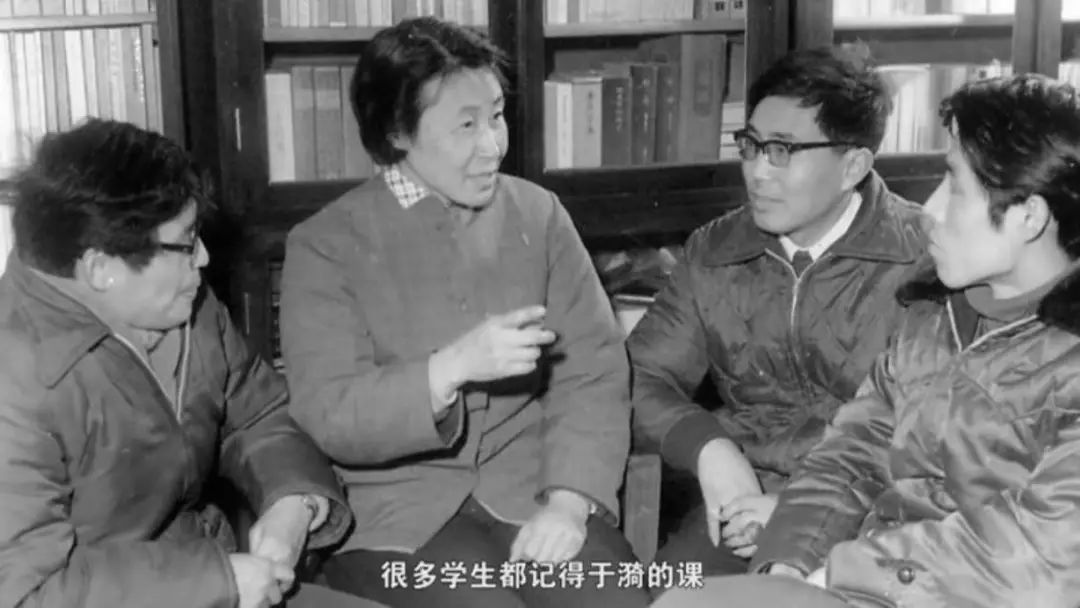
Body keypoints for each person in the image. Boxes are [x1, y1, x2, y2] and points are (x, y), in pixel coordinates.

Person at [657, 72, 1080, 608]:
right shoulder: (932, 316)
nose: (930, 211)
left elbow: (1037, 558)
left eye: (954, 186)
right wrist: (787, 563)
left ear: (1028, 217)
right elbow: (851, 453)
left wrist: (835, 575)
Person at [278, 16, 649, 608]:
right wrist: (448, 369)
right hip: (398, 515)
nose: (493, 145)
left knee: (615, 598)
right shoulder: (324, 245)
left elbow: (594, 372)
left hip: (534, 489)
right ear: (397, 131)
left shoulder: (539, 214)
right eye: (466, 126)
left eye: (496, 116)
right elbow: (330, 411)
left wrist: (569, 501)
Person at [0, 119, 384, 608]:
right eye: (185, 242)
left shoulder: (182, 305)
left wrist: (294, 501)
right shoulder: (13, 378)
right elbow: (25, 593)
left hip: (214, 573)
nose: (203, 258)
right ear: (101, 269)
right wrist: (219, 582)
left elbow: (259, 414)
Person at [628, 45, 925, 579]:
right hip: (745, 499)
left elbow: (937, 434)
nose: (758, 172)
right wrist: (709, 448)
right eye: (752, 145)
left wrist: (800, 513)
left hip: (884, 512)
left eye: (783, 150)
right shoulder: (714, 251)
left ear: (853, 166)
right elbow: (637, 378)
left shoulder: (924, 261)